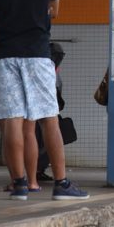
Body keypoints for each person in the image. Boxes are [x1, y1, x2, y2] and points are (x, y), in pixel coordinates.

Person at [0, 0, 88, 201]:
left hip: (5, 57)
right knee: (48, 121)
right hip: (38, 55)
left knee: (12, 123)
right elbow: (55, 10)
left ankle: (19, 184)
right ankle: (62, 184)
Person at [0, 24, 41, 192]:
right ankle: (33, 182)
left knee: (8, 130)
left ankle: (17, 180)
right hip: (30, 70)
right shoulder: (32, 16)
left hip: (4, 73)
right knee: (29, 132)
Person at [36, 42, 67, 181]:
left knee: (45, 142)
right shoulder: (44, 67)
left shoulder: (55, 69)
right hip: (40, 110)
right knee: (40, 140)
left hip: (51, 109)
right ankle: (36, 171)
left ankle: (40, 169)